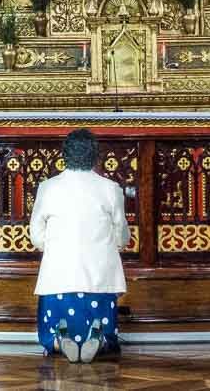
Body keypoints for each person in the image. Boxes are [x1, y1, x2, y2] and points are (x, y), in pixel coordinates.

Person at [30, 128, 130, 363]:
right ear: (96, 156)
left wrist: (52, 247)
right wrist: (115, 244)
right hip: (99, 275)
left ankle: (57, 339)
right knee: (102, 302)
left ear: (65, 155)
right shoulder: (110, 189)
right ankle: (100, 337)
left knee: (53, 311)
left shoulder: (48, 187)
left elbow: (36, 233)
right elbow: (121, 231)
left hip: (58, 274)